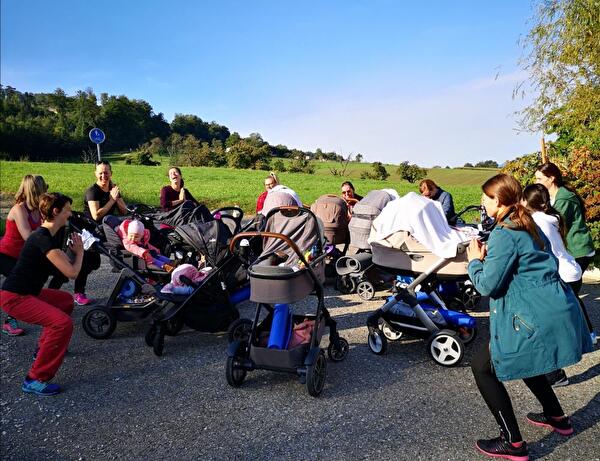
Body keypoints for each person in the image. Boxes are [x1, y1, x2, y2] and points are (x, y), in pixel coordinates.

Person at [466, 174, 592, 461]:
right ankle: (557, 416)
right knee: (525, 358)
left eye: (485, 198)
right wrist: (492, 259)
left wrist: (474, 261)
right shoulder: (528, 222)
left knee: (482, 367)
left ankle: (512, 442)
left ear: (498, 201)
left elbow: (487, 285)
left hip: (530, 315)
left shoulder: (503, 233)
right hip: (551, 305)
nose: (482, 203)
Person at [0, 193, 84, 396]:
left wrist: (73, 252)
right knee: (62, 324)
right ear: (56, 211)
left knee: (65, 301)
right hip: (15, 297)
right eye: (67, 210)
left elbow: (63, 264)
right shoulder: (42, 238)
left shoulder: (50, 235)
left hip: (30, 293)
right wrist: (80, 252)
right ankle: (35, 379)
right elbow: (72, 272)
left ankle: (43, 350)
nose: (70, 214)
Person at [522, 183, 596, 386]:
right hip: (571, 270)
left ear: (527, 201)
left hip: (562, 274)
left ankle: (556, 374)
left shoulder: (537, 220)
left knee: (546, 323)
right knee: (565, 313)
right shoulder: (551, 217)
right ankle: (585, 338)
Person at [61, 161, 127, 305]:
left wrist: (116, 198)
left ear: (111, 173)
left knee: (96, 262)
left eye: (106, 172)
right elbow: (96, 215)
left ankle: (131, 284)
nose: (103, 175)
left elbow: (124, 211)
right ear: (95, 174)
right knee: (86, 263)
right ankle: (78, 293)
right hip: (88, 232)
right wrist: (112, 200)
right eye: (100, 173)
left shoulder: (113, 190)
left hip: (104, 230)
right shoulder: (92, 191)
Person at [534, 162, 595, 294]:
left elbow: (554, 223)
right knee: (568, 292)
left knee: (569, 292)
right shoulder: (552, 197)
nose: (536, 182)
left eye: (539, 179)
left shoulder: (563, 198)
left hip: (578, 250)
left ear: (551, 178)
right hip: (570, 249)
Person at [0, 175, 48, 336]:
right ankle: (9, 322)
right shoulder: (19, 209)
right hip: (5, 255)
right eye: (44, 188)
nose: (46, 191)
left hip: (22, 256)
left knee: (33, 281)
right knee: (19, 285)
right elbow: (28, 236)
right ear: (35, 190)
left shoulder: (38, 210)